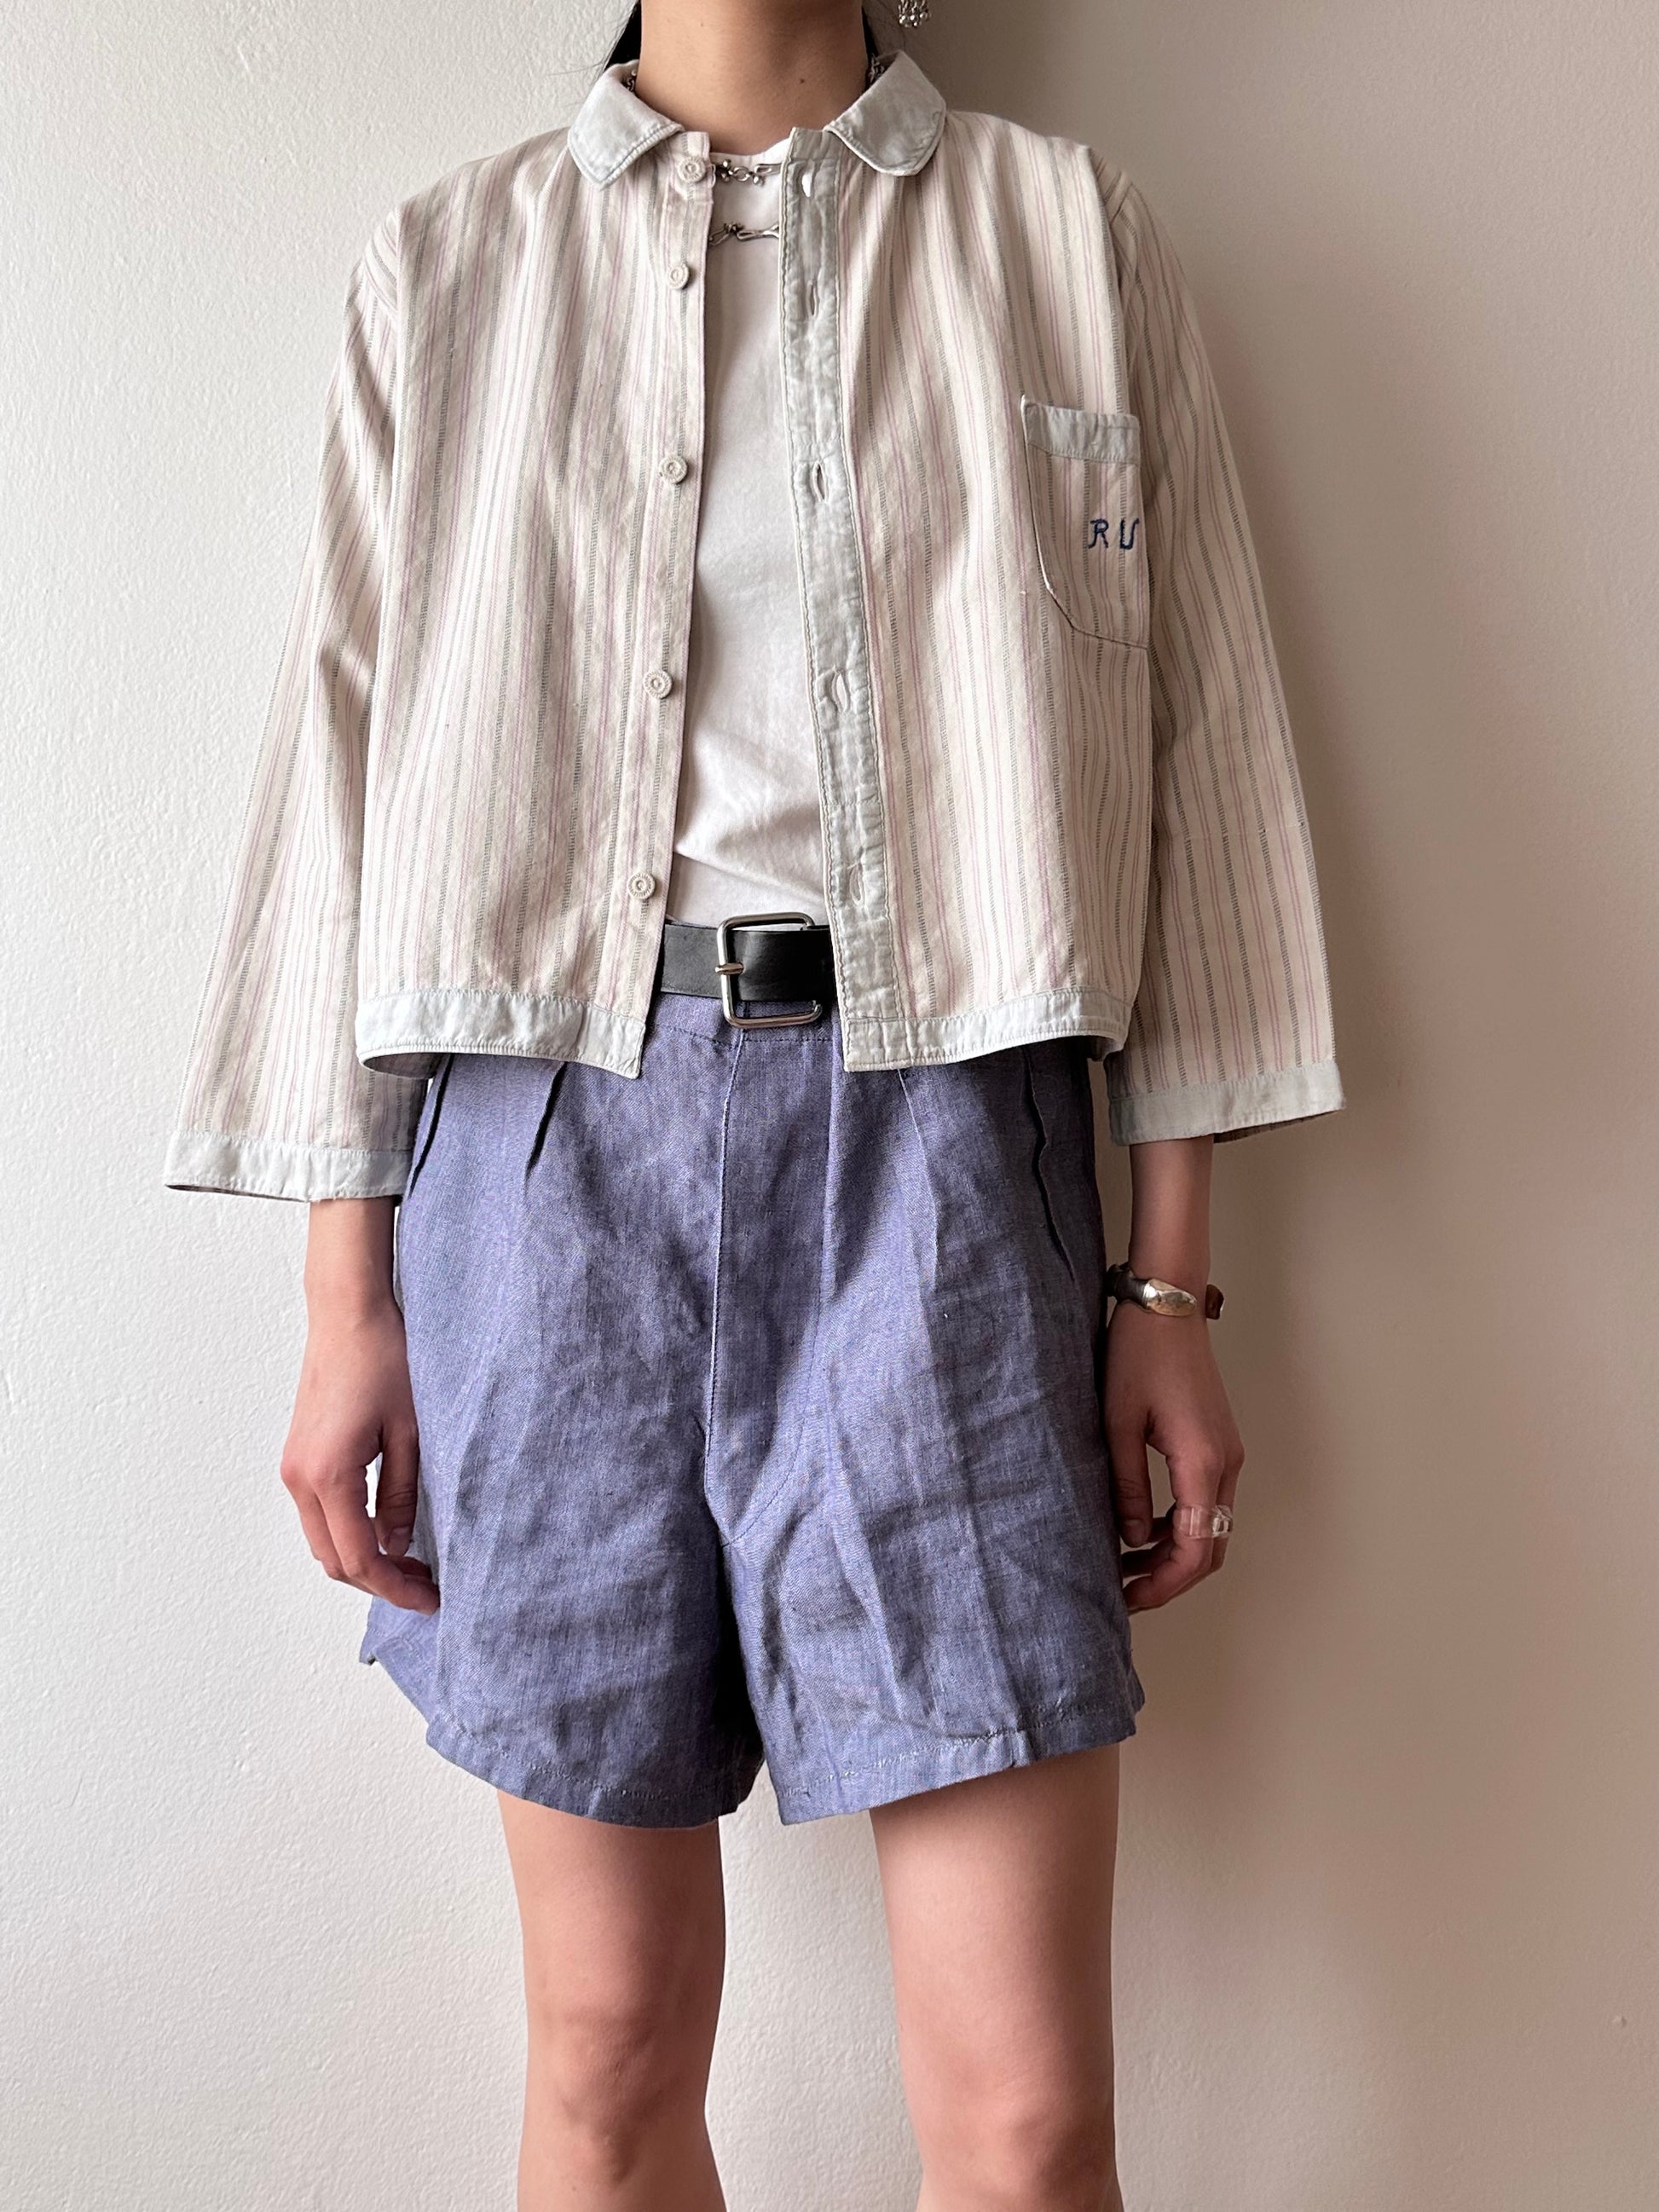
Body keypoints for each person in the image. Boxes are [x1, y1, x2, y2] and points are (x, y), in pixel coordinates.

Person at [164, 1, 1344, 2203]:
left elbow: (1205, 765)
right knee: (608, 2061)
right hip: (547, 1164)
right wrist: (347, 1297)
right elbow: (340, 774)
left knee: (1025, 2117)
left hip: (955, 1157)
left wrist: (1168, 1285)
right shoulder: (453, 260)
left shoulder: (1061, 232)